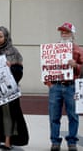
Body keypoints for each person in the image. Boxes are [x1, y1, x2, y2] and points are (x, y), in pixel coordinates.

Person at [44, 22, 83, 151]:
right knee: (54, 116)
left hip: (71, 86)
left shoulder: (78, 50)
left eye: (66, 32)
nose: (63, 34)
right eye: (62, 32)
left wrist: (76, 66)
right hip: (56, 86)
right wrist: (49, 83)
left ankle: (72, 141)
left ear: (72, 34)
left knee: (73, 115)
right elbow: (46, 67)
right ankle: (55, 141)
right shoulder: (52, 50)